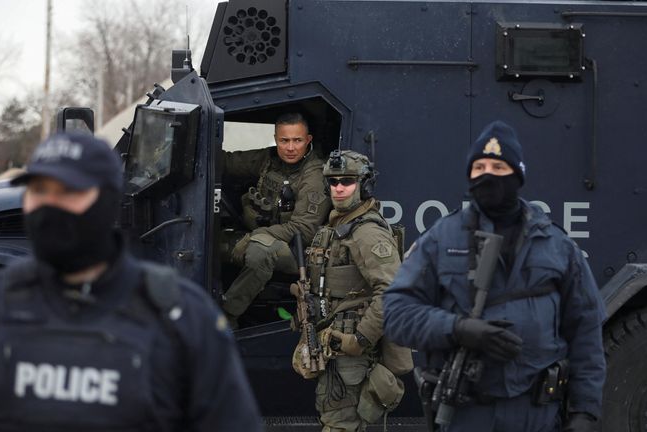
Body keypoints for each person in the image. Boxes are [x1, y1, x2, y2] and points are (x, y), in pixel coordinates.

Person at [0, 132, 262, 431]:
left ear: (108, 202)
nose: (49, 206)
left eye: (69, 192)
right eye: (38, 190)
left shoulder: (183, 319)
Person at [383, 121, 606, 432]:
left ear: (517, 174)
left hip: (537, 413)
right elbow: (395, 315)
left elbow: (586, 332)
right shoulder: (442, 238)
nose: (488, 174)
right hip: (468, 414)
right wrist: (458, 329)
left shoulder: (556, 245)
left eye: (499, 166)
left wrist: (585, 411)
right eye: (480, 166)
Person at [296, 150, 411, 431]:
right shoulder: (336, 228)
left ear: (364, 185)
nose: (338, 188)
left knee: (340, 425)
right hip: (334, 346)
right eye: (333, 182)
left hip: (353, 355)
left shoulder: (366, 233)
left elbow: (393, 291)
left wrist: (360, 338)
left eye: (347, 181)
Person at [221, 112, 331, 328]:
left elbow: (304, 231)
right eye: (284, 140)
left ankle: (226, 317)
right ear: (276, 138)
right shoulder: (269, 161)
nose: (290, 148)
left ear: (308, 140)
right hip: (268, 236)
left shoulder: (314, 175)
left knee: (261, 252)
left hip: (300, 252)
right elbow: (227, 162)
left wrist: (256, 236)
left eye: (297, 140)